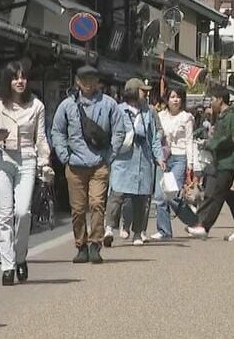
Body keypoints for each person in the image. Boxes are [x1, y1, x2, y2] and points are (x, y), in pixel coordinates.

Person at [0, 61, 53, 284]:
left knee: (22, 212)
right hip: (2, 159)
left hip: (28, 159)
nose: (19, 81)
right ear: (8, 81)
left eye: (22, 77)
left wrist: (45, 162)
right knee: (4, 214)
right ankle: (8, 266)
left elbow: (41, 138)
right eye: (14, 77)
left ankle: (20, 257)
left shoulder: (36, 106)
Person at [51, 65, 127, 264]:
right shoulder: (67, 105)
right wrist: (63, 155)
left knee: (96, 204)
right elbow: (57, 131)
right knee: (77, 209)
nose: (88, 84)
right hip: (74, 164)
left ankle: (95, 244)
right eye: (84, 80)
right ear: (77, 81)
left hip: (99, 164)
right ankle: (80, 245)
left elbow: (120, 131)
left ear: (98, 82)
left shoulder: (109, 104)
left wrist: (110, 155)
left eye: (92, 79)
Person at [187, 85, 234, 240]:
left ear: (220, 99)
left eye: (213, 99)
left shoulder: (230, 117)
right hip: (221, 161)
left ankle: (204, 225)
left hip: (227, 162)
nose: (211, 103)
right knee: (231, 197)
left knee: (216, 194)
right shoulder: (223, 116)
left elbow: (230, 139)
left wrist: (211, 144)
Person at [107, 78, 159, 246]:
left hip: (143, 158)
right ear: (134, 91)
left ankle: (137, 232)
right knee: (117, 194)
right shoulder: (118, 110)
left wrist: (159, 157)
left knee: (141, 198)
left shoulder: (148, 112)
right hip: (123, 158)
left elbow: (154, 137)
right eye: (143, 90)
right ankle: (109, 228)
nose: (146, 93)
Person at [152, 85, 199, 239]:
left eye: (178, 97)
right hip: (163, 157)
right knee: (160, 195)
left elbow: (190, 141)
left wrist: (190, 164)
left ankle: (194, 222)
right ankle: (164, 231)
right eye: (172, 97)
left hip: (179, 157)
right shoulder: (160, 116)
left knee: (173, 194)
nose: (175, 100)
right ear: (167, 99)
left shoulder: (186, 117)